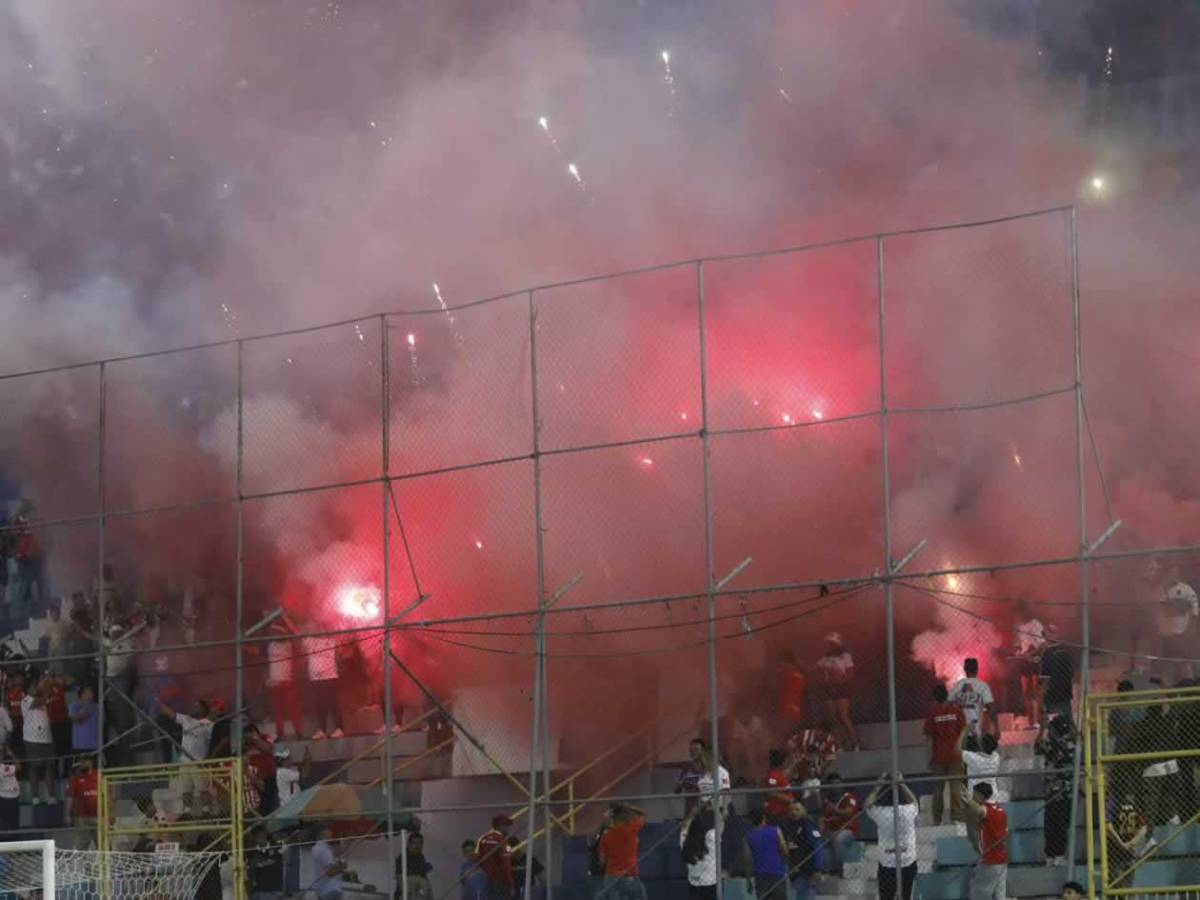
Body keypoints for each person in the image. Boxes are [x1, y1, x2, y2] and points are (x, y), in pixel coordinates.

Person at [864, 774, 919, 900]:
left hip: (887, 862)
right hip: (908, 860)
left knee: (886, 896)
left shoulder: (881, 812)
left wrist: (878, 787)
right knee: (906, 895)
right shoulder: (908, 810)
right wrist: (902, 783)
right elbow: (915, 801)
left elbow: (867, 805)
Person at [1035, 715, 1076, 867]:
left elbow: (1037, 747)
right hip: (1062, 792)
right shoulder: (1070, 745)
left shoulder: (1054, 745)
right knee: (1058, 825)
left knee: (1054, 825)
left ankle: (1054, 855)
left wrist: (1042, 729)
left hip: (1056, 792)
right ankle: (1054, 855)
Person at [923, 683, 966, 825]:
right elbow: (963, 730)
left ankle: (937, 819)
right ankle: (957, 817)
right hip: (955, 756)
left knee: (938, 790)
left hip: (938, 757)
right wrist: (960, 747)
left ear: (934, 697)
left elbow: (928, 738)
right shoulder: (956, 710)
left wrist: (929, 758)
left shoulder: (932, 713)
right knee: (956, 789)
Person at [962, 782, 1007, 900]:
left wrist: (966, 800)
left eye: (974, 794)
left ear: (981, 795)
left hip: (991, 859)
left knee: (978, 892)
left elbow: (978, 811)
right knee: (999, 895)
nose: (973, 797)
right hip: (1001, 859)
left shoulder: (987, 810)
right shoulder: (1000, 810)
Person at [816, 634, 858, 750]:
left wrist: (840, 677)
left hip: (841, 688)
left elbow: (851, 674)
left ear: (837, 644)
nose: (828, 646)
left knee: (843, 716)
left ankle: (854, 743)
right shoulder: (824, 659)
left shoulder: (845, 656)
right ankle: (839, 745)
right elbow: (815, 671)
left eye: (831, 643)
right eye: (828, 644)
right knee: (833, 718)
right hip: (829, 688)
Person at [597, 802, 647, 900]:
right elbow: (643, 814)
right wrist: (630, 807)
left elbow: (602, 861)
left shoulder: (605, 837)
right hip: (629, 875)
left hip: (611, 877)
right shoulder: (631, 828)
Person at [22, 672, 55, 804]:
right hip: (32, 739)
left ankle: (50, 795)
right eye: (34, 686)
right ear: (28, 689)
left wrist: (46, 682)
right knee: (34, 767)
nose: (36, 688)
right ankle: (35, 796)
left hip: (47, 738)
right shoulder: (26, 700)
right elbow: (42, 698)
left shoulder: (41, 696)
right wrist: (46, 683)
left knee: (49, 766)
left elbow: (45, 693)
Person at [782, 799, 825, 900]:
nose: (794, 812)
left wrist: (818, 869)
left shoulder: (808, 826)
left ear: (804, 810)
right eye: (791, 810)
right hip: (796, 871)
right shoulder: (789, 826)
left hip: (808, 870)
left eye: (797, 809)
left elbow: (817, 846)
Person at [1012, 599, 1046, 727]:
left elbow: (1042, 644)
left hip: (1035, 660)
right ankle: (1030, 721)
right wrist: (1018, 651)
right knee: (1026, 692)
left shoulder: (1035, 624)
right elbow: (1020, 645)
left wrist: (1030, 654)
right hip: (1024, 661)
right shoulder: (1020, 627)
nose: (1018, 616)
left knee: (1035, 692)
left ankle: (1037, 721)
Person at [303, 632, 342, 739]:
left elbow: (340, 652)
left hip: (330, 676)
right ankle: (322, 730)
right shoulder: (309, 640)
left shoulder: (330, 640)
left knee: (333, 704)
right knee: (319, 705)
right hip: (316, 678)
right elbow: (295, 631)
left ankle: (339, 728)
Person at [821, 773, 860, 877]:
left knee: (838, 839)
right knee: (819, 840)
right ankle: (824, 871)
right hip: (830, 830)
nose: (835, 786)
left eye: (837, 783)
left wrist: (834, 809)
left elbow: (848, 812)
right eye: (832, 784)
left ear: (842, 784)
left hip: (847, 830)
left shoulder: (849, 797)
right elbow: (822, 819)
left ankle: (838, 871)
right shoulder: (826, 801)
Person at [744, 807, 789, 900]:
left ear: (751, 820)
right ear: (764, 817)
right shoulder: (776, 830)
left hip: (760, 874)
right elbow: (785, 851)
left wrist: (748, 880)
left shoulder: (748, 836)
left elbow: (748, 860)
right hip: (777, 872)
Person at [1106, 796, 1148, 890]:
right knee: (1125, 887)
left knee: (1116, 886)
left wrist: (1123, 844)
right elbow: (1143, 828)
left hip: (1115, 852)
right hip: (1128, 851)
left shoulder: (1112, 802)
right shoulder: (1135, 802)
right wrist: (1131, 843)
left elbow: (1108, 827)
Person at [949, 658, 996, 739]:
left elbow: (948, 705)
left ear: (964, 669)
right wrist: (996, 726)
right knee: (975, 750)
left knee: (962, 750)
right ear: (977, 669)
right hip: (975, 732)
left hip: (960, 733)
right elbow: (991, 707)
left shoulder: (957, 685)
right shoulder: (983, 686)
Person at [679, 803, 718, 900]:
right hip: (710, 884)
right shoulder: (711, 838)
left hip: (694, 883)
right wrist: (715, 807)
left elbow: (684, 828)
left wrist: (691, 815)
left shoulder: (685, 841)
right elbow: (720, 824)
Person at [267, 637, 304, 740]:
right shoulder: (270, 645)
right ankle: (280, 734)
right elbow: (256, 651)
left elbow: (299, 651)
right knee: (278, 710)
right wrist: (242, 647)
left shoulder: (289, 644)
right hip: (275, 682)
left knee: (293, 708)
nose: (275, 634)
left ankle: (298, 733)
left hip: (287, 681)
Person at [1039, 626, 1075, 724]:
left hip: (1052, 696)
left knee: (1055, 726)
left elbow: (1046, 680)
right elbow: (1072, 674)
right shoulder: (1066, 650)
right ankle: (1077, 737)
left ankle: (1058, 737)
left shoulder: (1047, 653)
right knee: (1068, 721)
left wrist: (1041, 700)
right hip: (1066, 694)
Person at [476, 813, 515, 900]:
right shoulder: (502, 841)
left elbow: (478, 859)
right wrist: (510, 883)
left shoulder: (482, 838)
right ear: (501, 826)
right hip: (501, 882)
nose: (509, 828)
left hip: (487, 881)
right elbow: (506, 864)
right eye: (507, 825)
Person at [961, 733, 1005, 802]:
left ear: (981, 747)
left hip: (975, 798)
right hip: (992, 797)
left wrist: (964, 732)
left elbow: (957, 750)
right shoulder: (996, 757)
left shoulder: (973, 758)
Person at [66, 755, 99, 845]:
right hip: (82, 817)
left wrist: (110, 814)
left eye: (85, 761)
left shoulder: (99, 777)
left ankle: (105, 859)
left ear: (91, 762)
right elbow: (70, 798)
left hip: (100, 816)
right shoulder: (75, 779)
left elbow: (108, 795)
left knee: (102, 844)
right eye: (81, 761)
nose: (82, 763)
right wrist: (68, 815)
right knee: (82, 844)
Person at [776, 650, 807, 737]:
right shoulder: (785, 675)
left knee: (788, 736)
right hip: (788, 712)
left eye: (781, 662)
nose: (780, 664)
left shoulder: (789, 675)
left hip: (792, 713)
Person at [312, 824, 347, 900]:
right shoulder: (324, 850)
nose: (331, 834)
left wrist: (344, 847)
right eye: (329, 832)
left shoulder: (317, 848)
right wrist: (342, 865)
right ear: (323, 833)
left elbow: (334, 854)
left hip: (322, 889)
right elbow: (330, 872)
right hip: (331, 889)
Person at [248, 827, 285, 900]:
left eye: (262, 835)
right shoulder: (251, 853)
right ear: (254, 838)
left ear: (266, 835)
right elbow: (249, 872)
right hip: (259, 890)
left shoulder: (276, 848)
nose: (260, 838)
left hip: (275, 889)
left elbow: (279, 863)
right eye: (257, 837)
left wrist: (261, 864)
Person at [675, 738, 709, 816]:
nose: (693, 752)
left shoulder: (709, 768)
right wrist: (682, 784)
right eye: (691, 750)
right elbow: (676, 791)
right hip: (690, 812)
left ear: (703, 751)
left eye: (696, 749)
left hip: (706, 811)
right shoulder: (685, 768)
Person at [397, 831, 433, 900]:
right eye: (415, 843)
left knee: (425, 885)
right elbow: (399, 877)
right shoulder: (403, 857)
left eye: (420, 843)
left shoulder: (421, 857)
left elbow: (423, 875)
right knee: (422, 882)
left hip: (418, 891)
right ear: (409, 844)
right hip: (408, 891)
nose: (418, 846)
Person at [764, 748, 792, 824]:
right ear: (782, 762)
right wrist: (788, 799)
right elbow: (771, 792)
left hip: (783, 812)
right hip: (776, 813)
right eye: (786, 760)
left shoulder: (779, 774)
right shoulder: (772, 776)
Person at [69, 684, 99, 755]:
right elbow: (75, 720)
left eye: (91, 692)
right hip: (80, 745)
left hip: (95, 744)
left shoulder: (97, 706)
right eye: (88, 692)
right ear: (82, 694)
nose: (91, 694)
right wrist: (85, 706)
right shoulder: (74, 706)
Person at [0, 746, 20, 833]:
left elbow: (19, 767)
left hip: (13, 796)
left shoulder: (10, 766)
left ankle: (14, 839)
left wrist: (11, 754)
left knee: (13, 821)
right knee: (4, 821)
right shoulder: (2, 767)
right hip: (3, 797)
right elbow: (18, 766)